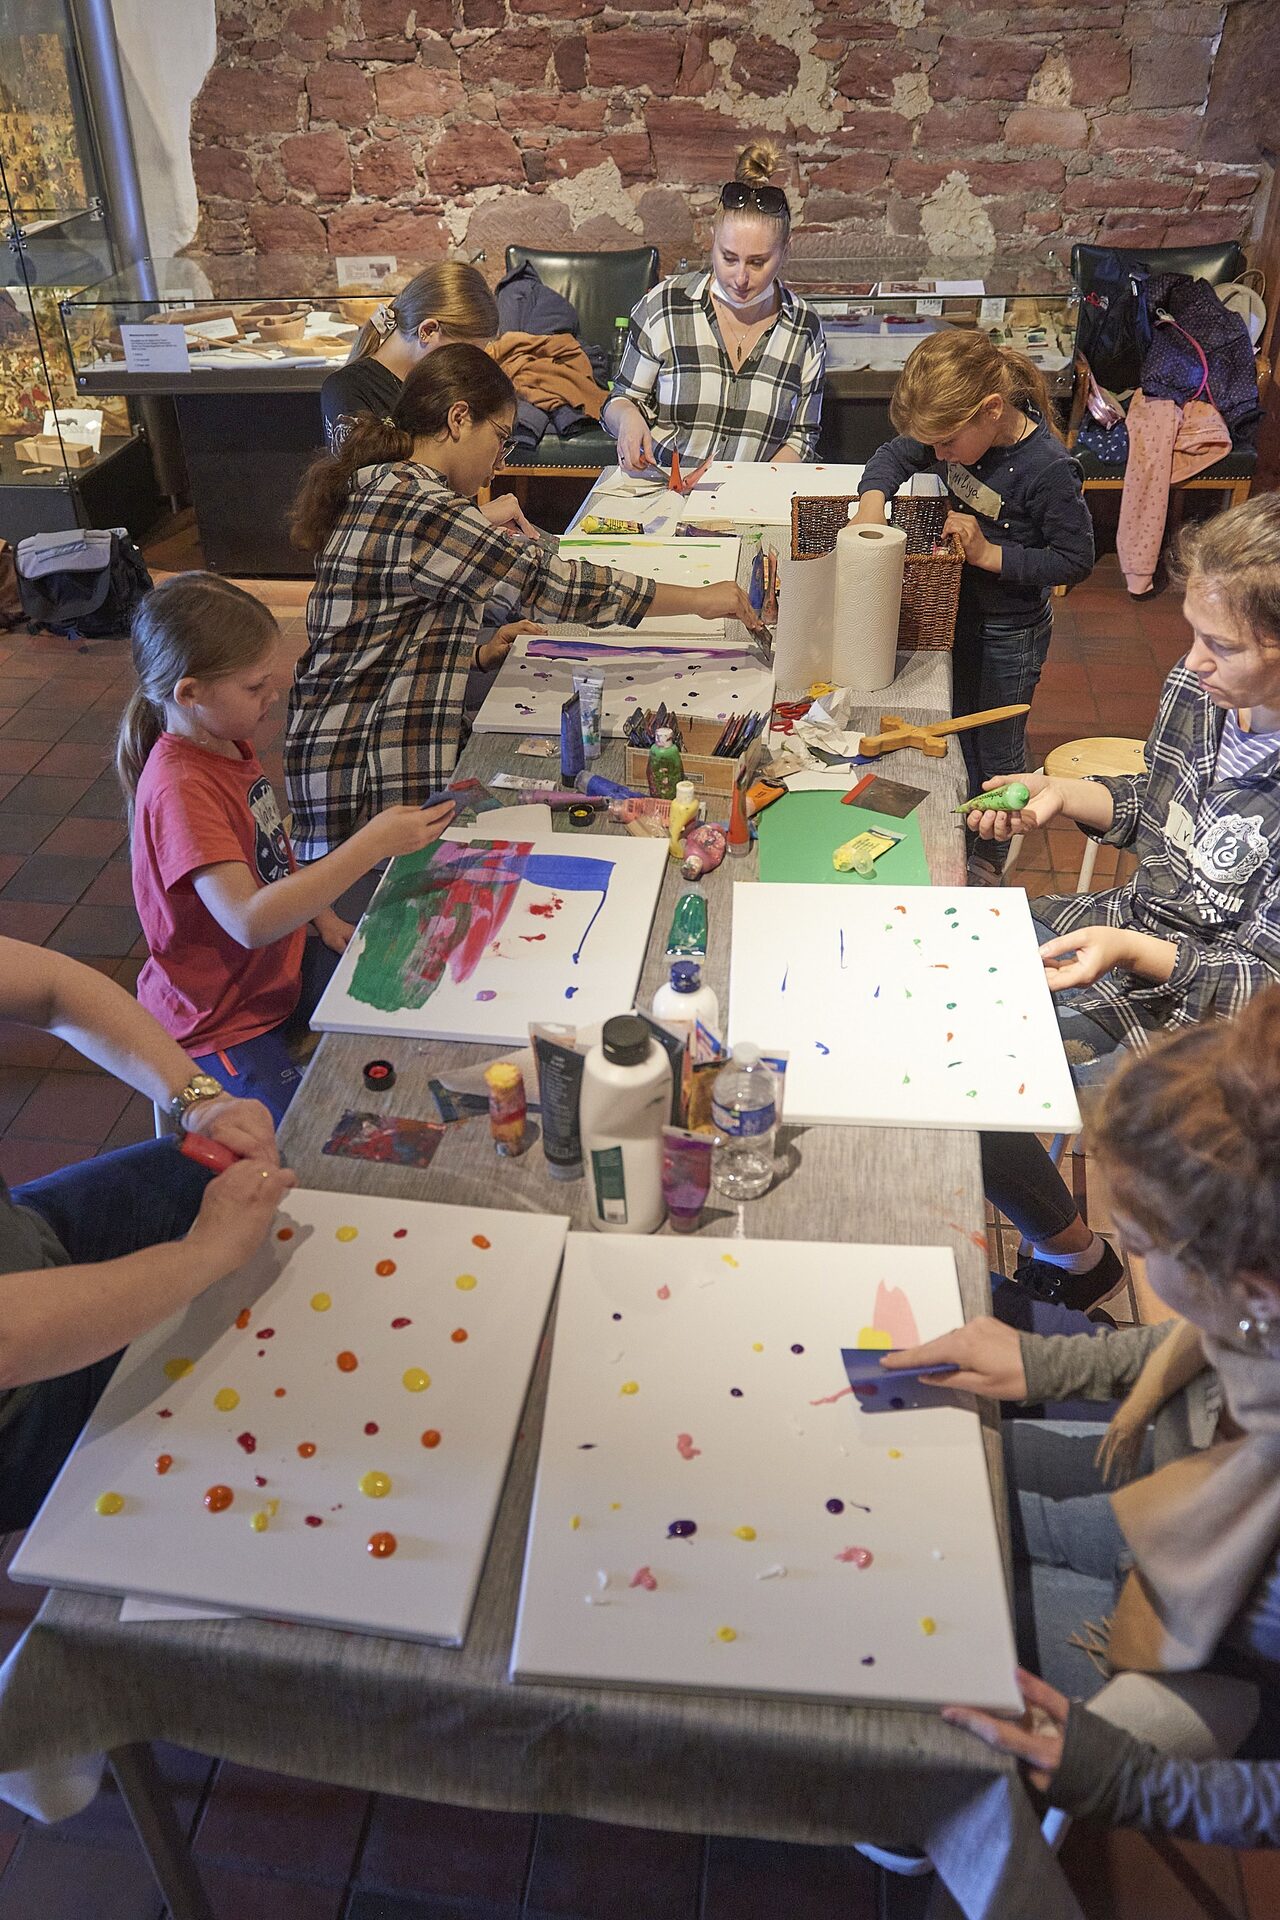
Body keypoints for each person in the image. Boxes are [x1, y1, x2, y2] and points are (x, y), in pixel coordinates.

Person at [882, 992, 1280, 1854]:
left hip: (1214, 1673)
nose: (1122, 1252)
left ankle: (919, 1824)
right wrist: (1045, 1363)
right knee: (905, 1486)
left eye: (1140, 1242)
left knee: (896, 1679)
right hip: (1171, 1528)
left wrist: (1132, 1780)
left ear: (1253, 1293)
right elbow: (1198, 1342)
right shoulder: (1257, 1322)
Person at [970, 493, 1280, 1310]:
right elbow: (1161, 804)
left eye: (1221, 645)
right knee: (945, 955)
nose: (1194, 662)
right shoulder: (1202, 689)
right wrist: (1062, 794)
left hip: (1206, 1020)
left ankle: (1076, 1259)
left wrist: (1135, 953)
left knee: (966, 1072)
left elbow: (1265, 988)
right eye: (1192, 634)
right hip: (1132, 927)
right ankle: (1074, 1253)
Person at [286, 342, 764, 861]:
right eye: (500, 439)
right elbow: (556, 587)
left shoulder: (391, 482)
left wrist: (475, 654)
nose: (499, 463)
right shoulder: (422, 507)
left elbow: (384, 632)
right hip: (357, 783)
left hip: (343, 752)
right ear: (458, 419)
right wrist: (698, 599)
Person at [117, 573, 455, 1123]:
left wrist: (323, 917)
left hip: (276, 974)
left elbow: (269, 852)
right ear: (190, 693)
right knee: (303, 1136)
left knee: (424, 1008)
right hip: (219, 1019)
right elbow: (249, 922)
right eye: (255, 688)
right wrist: (369, 846)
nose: (272, 697)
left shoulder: (226, 741)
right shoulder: (181, 789)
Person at [0, 935, 294, 1533]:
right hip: (20, 1412)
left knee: (249, 1195)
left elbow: (55, 991)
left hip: (23, 1234)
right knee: (260, 1419)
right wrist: (205, 1252)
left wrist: (201, 1102)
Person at [854, 328, 1094, 882]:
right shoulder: (956, 431)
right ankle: (961, 828)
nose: (937, 456)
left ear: (991, 410)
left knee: (998, 751)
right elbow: (895, 453)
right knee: (957, 722)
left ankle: (988, 855)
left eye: (945, 445)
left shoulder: (1048, 470)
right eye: (933, 445)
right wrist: (872, 502)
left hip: (1010, 632)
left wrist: (988, 555)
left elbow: (1074, 560)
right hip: (958, 614)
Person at [601, 142, 826, 475]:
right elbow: (620, 400)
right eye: (729, 258)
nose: (741, 277)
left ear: (786, 250)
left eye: (758, 262)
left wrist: (755, 489)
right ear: (712, 239)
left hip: (751, 498)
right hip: (662, 486)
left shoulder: (804, 328)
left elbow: (802, 438)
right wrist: (627, 418)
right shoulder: (665, 306)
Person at [320, 260, 499, 454]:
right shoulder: (346, 390)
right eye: (463, 354)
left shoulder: (438, 385)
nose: (467, 368)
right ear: (427, 331)